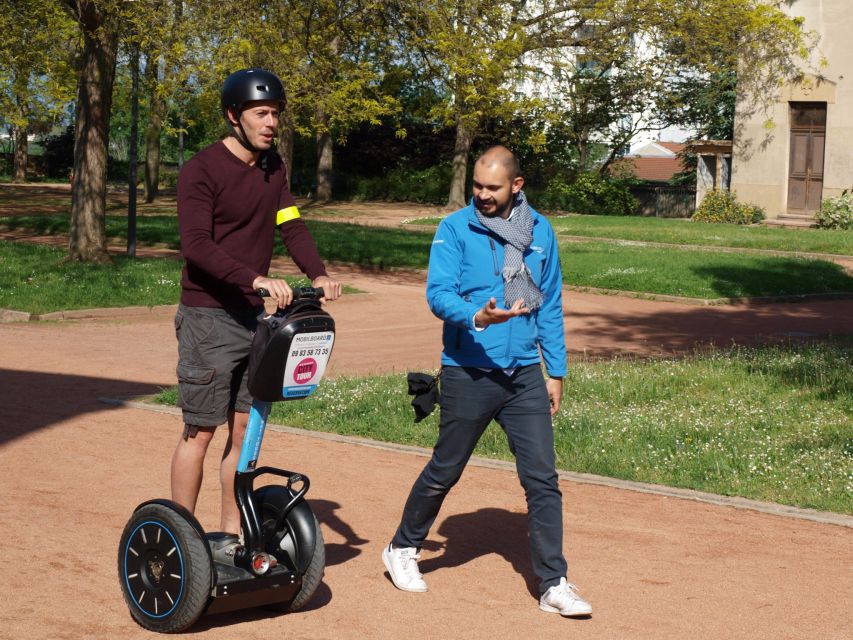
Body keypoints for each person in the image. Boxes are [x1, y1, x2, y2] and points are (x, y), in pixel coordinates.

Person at [381, 145, 591, 618]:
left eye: (492, 188)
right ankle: (401, 548)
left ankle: (553, 582)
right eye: (477, 186)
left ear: (516, 186)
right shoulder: (455, 228)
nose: (482, 195)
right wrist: (476, 316)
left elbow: (551, 303)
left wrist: (555, 369)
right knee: (446, 469)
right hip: (468, 370)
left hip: (524, 376)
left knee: (542, 480)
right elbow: (438, 294)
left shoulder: (540, 232)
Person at [171, 68, 341, 536]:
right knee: (200, 432)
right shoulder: (202, 170)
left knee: (244, 433)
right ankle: (181, 538)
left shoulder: (274, 168)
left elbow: (291, 224)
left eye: (276, 115)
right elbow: (197, 246)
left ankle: (227, 537)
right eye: (261, 113)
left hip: (254, 318)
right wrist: (256, 278)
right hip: (208, 315)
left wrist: (318, 273)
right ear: (233, 116)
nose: (271, 123)